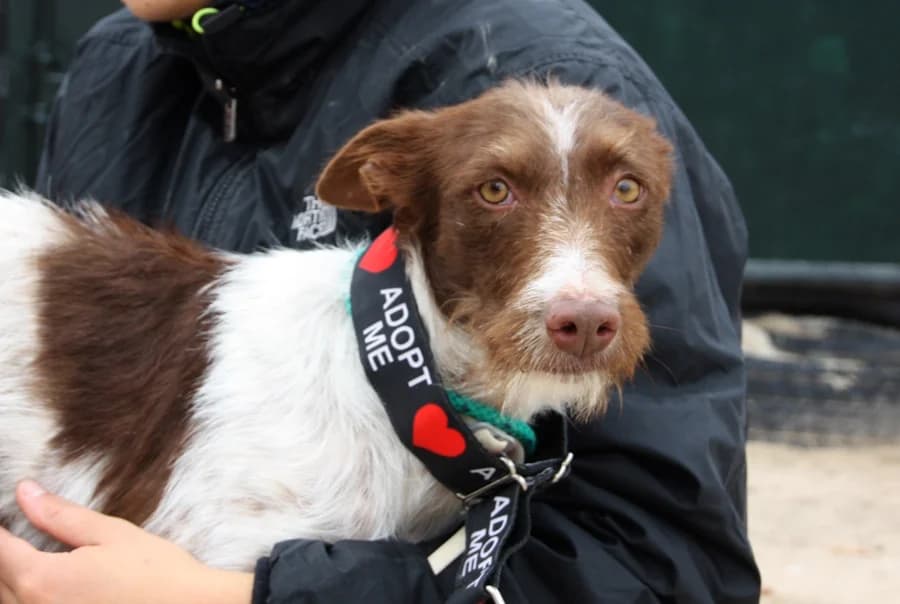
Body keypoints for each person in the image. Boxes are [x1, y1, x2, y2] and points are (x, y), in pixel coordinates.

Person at [0, 0, 761, 602]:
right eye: (495, 191)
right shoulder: (121, 66)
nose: (582, 294)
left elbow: (665, 566)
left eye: (626, 192)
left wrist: (235, 598)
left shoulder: (550, 73)